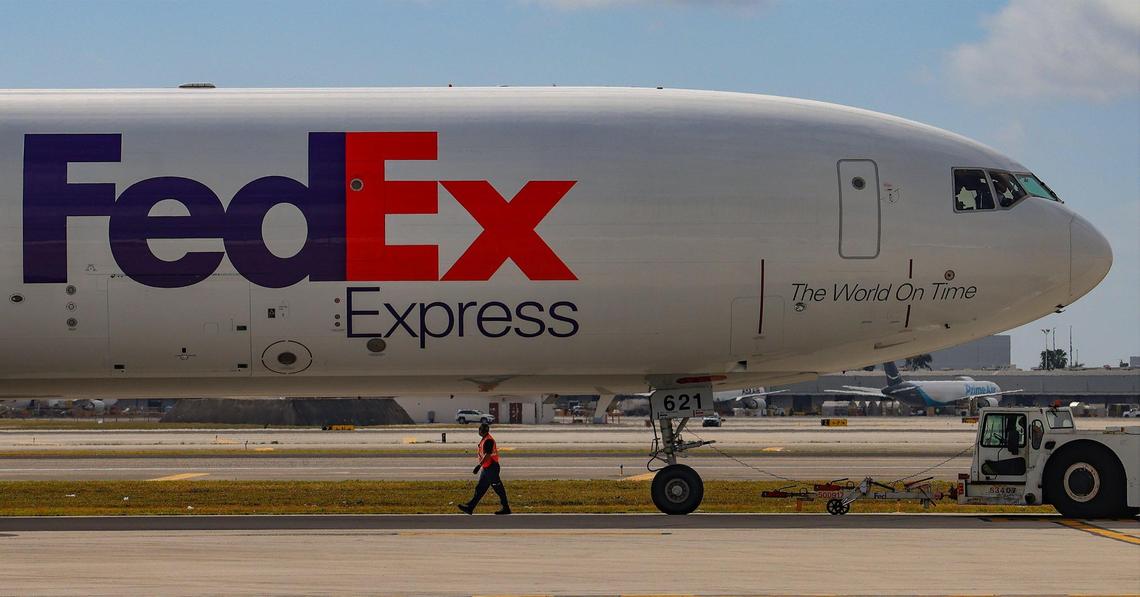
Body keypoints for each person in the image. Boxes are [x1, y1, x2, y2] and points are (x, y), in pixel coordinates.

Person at [458, 422, 511, 515]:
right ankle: (470, 507)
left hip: (491, 468)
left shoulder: (488, 440)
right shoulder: (485, 439)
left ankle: (506, 508)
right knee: (480, 488)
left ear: (481, 431)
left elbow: (487, 455)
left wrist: (479, 466)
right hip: (487, 468)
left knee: (498, 489)